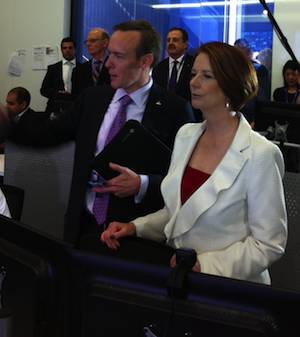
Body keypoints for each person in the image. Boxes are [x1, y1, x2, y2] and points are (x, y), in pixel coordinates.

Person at [101, 41, 287, 285]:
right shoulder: (186, 135)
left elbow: (268, 244)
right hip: (180, 279)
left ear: (231, 85)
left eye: (206, 76)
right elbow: (178, 214)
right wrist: (136, 227)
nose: (194, 82)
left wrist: (206, 265)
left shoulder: (260, 153)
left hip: (229, 286)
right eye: (193, 73)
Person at [4, 20, 195, 246]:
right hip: (82, 226)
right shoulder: (93, 99)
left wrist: (143, 184)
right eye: (109, 54)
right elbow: (47, 133)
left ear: (145, 61)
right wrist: (8, 123)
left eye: (119, 56)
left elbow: (185, 181)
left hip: (134, 236)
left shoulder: (174, 110)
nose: (108, 64)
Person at [234, 38, 270, 126]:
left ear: (248, 51)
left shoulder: (260, 70)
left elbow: (262, 98)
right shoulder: (231, 70)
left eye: (240, 51)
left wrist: (256, 120)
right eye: (235, 52)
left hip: (251, 117)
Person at [152, 27, 194, 102]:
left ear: (185, 44)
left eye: (175, 40)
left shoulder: (194, 64)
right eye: (168, 40)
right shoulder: (159, 67)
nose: (171, 43)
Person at [40, 37, 78, 115]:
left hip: (75, 108)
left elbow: (85, 90)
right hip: (54, 108)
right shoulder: (53, 68)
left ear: (75, 49)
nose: (67, 50)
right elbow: (43, 90)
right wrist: (58, 93)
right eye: (65, 48)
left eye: (70, 48)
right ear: (61, 50)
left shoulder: (83, 68)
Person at [71, 27, 111, 97]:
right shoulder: (78, 70)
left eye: (93, 41)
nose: (88, 44)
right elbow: (76, 98)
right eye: (86, 41)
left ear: (105, 42)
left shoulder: (115, 67)